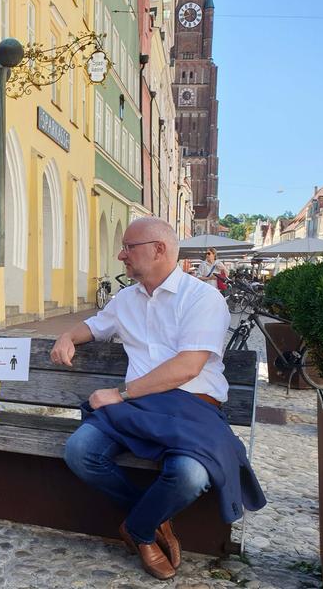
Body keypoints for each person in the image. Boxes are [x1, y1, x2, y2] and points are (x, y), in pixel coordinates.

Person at [51, 217, 266, 580]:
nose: (121, 255)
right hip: (138, 409)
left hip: (192, 408)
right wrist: (67, 336)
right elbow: (95, 326)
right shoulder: (125, 299)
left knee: (190, 474)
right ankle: (154, 521)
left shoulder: (203, 298)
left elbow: (187, 367)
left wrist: (119, 393)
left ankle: (138, 529)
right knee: (80, 451)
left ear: (159, 249)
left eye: (129, 247)